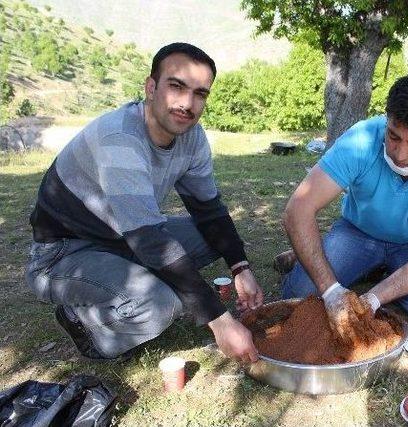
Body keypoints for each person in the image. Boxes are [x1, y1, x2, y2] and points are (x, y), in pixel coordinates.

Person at [25, 43, 263, 362]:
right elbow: (150, 240)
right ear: (151, 87)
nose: (187, 104)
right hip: (63, 252)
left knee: (213, 238)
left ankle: (131, 278)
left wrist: (240, 267)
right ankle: (83, 322)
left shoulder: (192, 138)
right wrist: (221, 322)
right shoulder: (120, 139)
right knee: (162, 304)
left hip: (121, 237)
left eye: (200, 93)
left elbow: (209, 210)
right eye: (176, 86)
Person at [278, 74, 408, 331]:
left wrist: (372, 299)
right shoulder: (361, 139)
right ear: (387, 121)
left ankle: (373, 271)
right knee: (300, 293)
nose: (400, 154)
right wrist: (330, 290)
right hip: (357, 233)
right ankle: (331, 259)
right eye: (394, 136)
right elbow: (298, 209)